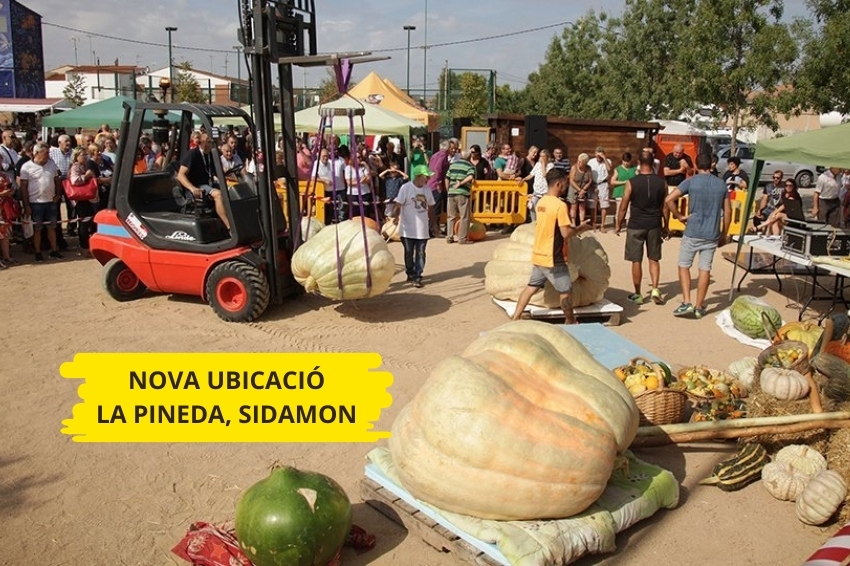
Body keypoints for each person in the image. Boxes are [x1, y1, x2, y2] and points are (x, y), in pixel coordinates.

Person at [511, 168, 593, 324]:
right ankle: (570, 321)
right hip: (553, 258)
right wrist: (581, 228)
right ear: (558, 183)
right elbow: (565, 233)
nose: (567, 186)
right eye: (566, 183)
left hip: (539, 254)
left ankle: (516, 317)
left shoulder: (541, 202)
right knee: (566, 291)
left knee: (531, 287)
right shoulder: (560, 206)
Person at [665, 153, 731, 319]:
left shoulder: (691, 181)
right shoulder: (721, 184)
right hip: (711, 233)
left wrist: (679, 216)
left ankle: (687, 301)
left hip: (693, 230)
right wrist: (724, 233)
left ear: (696, 164)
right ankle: (699, 305)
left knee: (684, 265)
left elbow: (669, 199)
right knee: (705, 269)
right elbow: (728, 211)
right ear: (712, 164)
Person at [615, 152, 668, 305]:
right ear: (653, 163)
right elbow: (665, 207)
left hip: (636, 224)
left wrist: (619, 224)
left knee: (636, 260)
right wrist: (666, 226)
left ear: (639, 162)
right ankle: (656, 289)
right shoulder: (661, 182)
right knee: (654, 258)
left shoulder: (631, 182)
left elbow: (624, 206)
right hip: (654, 224)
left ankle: (638, 294)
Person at [391, 165, 438, 288]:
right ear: (418, 176)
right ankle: (410, 273)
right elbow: (398, 204)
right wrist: (395, 217)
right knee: (408, 253)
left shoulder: (427, 190)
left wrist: (434, 225)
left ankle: (418, 275)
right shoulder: (405, 188)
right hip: (408, 229)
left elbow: (431, 208)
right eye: (426, 176)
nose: (428, 178)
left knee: (421, 253)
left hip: (422, 229)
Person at [176, 132, 230, 231]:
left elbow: (215, 173)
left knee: (232, 189)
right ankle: (229, 226)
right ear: (202, 142)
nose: (212, 145)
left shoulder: (211, 155)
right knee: (218, 194)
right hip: (197, 186)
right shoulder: (192, 154)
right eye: (209, 142)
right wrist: (192, 188)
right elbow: (180, 175)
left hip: (209, 184)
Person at [20, 142, 64, 262]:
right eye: (45, 153)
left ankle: (54, 250)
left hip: (50, 202)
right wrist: (26, 205)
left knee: (52, 227)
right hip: (35, 203)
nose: (48, 155)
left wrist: (58, 194)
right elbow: (23, 187)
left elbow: (57, 179)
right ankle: (38, 252)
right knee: (37, 229)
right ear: (37, 153)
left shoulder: (51, 164)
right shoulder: (26, 167)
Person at [444, 148, 476, 244]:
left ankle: (449, 237)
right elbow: (471, 176)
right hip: (463, 193)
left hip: (451, 193)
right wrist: (461, 183)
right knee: (464, 216)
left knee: (451, 216)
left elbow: (447, 178)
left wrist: (448, 189)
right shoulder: (470, 166)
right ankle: (462, 238)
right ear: (470, 156)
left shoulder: (453, 165)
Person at [518, 148, 553, 222]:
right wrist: (523, 179)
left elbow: (544, 174)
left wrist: (543, 164)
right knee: (532, 206)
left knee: (543, 208)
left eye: (543, 156)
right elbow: (531, 174)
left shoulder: (551, 165)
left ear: (547, 157)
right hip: (536, 191)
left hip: (545, 191)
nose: (541, 158)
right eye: (540, 156)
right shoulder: (537, 164)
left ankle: (543, 222)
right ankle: (534, 222)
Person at [589, 147, 613, 232]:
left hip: (603, 184)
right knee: (593, 205)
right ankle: (593, 223)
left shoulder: (608, 161)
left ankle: (602, 225)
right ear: (595, 153)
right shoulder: (591, 162)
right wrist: (591, 185)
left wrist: (604, 158)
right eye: (597, 154)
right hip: (593, 184)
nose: (599, 156)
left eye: (601, 154)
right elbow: (589, 173)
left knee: (604, 205)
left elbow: (609, 169)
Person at [569, 152, 594, 227]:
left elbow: (590, 180)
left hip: (584, 189)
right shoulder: (574, 168)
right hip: (574, 189)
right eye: (578, 161)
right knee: (574, 206)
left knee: (582, 207)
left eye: (581, 162)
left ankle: (582, 222)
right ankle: (573, 222)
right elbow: (571, 180)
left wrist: (583, 190)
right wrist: (579, 190)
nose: (579, 163)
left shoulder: (588, 168)